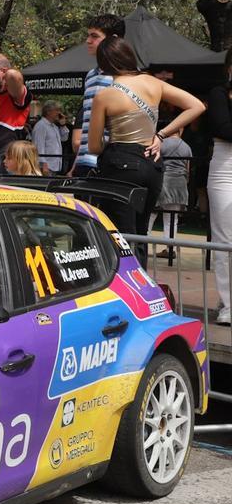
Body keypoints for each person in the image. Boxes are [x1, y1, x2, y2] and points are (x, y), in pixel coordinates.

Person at [90, 36, 206, 256]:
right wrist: (161, 135)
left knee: (120, 237)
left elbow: (94, 146)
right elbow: (196, 106)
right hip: (152, 162)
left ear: (104, 63)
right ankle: (142, 285)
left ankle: (124, 287)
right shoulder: (154, 83)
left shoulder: (104, 96)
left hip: (120, 162)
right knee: (141, 234)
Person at [72, 14, 125, 177]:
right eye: (88, 35)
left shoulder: (124, 76)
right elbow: (88, 125)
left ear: (113, 39)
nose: (88, 41)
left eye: (94, 36)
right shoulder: (90, 75)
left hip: (108, 163)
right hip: (84, 163)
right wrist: (76, 163)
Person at [207, 49, 232, 323]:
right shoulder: (218, 93)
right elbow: (223, 127)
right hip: (226, 165)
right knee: (224, 239)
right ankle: (228, 303)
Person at [148, 131, 192, 255]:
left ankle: (142, 244)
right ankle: (170, 250)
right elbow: (188, 169)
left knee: (151, 214)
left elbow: (154, 162)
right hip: (180, 184)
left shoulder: (161, 143)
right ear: (180, 131)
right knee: (172, 219)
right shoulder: (187, 147)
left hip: (163, 181)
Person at [0, 54, 32, 154]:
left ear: (3, 71)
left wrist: (6, 73)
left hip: (8, 160)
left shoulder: (15, 95)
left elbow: (13, 75)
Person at [31, 101, 65, 174]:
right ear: (48, 112)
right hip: (46, 166)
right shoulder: (41, 126)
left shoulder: (54, 126)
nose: (59, 113)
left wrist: (63, 125)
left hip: (54, 165)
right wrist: (43, 164)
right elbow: (38, 146)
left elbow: (64, 138)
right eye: (57, 110)